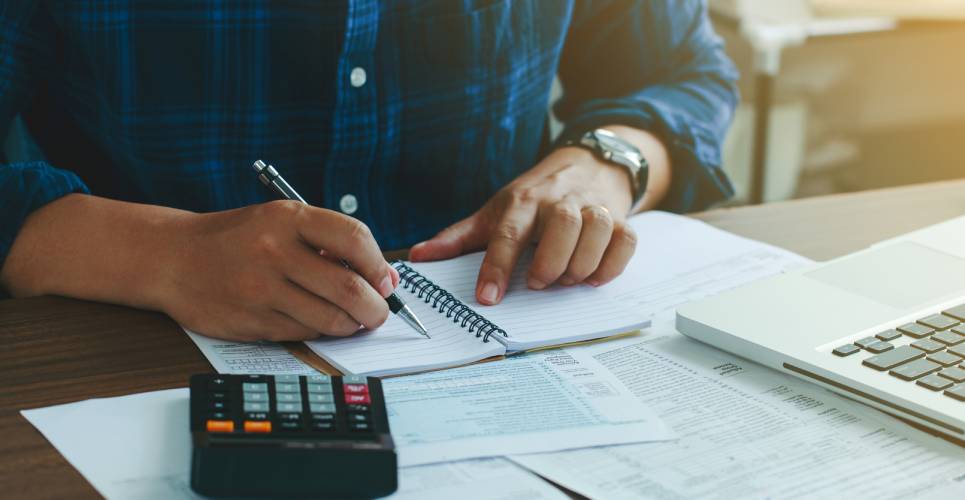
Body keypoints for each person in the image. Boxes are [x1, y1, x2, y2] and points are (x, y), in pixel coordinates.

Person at [0, 1, 737, 341]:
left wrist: (608, 161)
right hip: (126, 356)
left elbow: (680, 71)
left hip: (508, 333)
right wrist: (161, 254)